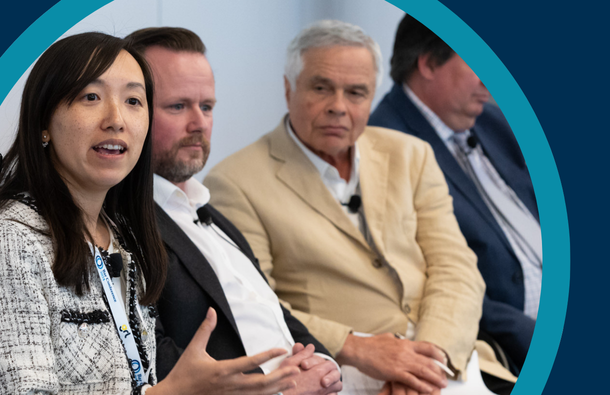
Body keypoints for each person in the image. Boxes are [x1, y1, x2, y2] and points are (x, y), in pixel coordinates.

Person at [204, 20, 516, 394]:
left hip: (450, 360)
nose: (338, 107)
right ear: (288, 89)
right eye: (321, 88)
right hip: (343, 373)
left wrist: (426, 365)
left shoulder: (411, 154)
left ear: (372, 97)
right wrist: (355, 346)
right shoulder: (234, 182)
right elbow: (257, 307)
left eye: (356, 93)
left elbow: (458, 269)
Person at [0, 32, 302, 395]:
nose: (116, 119)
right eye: (91, 97)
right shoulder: (12, 239)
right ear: (43, 121)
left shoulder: (121, 238)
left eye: (133, 100)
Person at [125, 27, 342, 395]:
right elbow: (147, 350)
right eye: (178, 106)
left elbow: (271, 310)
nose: (199, 124)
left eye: (206, 107)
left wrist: (325, 365)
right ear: (134, 112)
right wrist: (275, 386)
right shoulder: (121, 221)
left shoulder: (212, 213)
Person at [368, 14, 540, 373]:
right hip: (514, 332)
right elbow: (436, 279)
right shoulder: (383, 148)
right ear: (429, 63)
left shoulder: (493, 121)